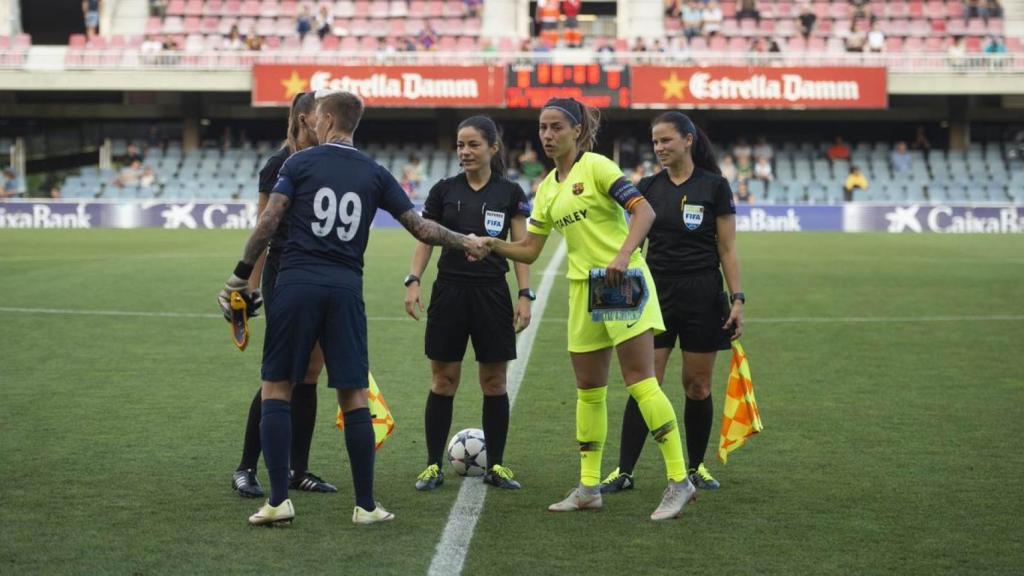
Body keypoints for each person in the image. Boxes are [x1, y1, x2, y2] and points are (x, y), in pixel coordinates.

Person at [218, 89, 487, 526]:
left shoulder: (298, 164)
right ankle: (365, 505)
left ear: (324, 119)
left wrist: (238, 276)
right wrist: (464, 241)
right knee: (353, 395)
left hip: (297, 284)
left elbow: (268, 222)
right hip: (345, 289)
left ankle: (278, 501)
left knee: (277, 387)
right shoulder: (375, 172)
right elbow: (419, 225)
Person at [471, 97, 698, 521]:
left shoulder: (597, 167)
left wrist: (623, 256)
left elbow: (643, 211)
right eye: (542, 128)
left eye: (556, 127)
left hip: (619, 282)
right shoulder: (548, 189)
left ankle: (679, 480)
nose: (548, 135)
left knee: (640, 382)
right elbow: (531, 250)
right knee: (588, 389)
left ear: (577, 130)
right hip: (582, 291)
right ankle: (589, 487)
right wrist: (493, 245)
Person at [601, 112, 743, 495]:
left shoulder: (715, 186)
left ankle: (695, 468)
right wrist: (619, 297)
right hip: (656, 293)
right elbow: (632, 248)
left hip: (702, 295)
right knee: (645, 382)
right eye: (656, 142)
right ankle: (623, 470)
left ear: (688, 140)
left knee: (697, 386)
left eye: (666, 140)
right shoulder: (647, 187)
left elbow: (727, 250)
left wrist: (737, 299)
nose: (660, 148)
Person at [405, 116, 533, 492]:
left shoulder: (510, 192)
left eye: (473, 144)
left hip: (492, 293)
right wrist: (413, 280)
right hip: (449, 293)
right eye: (460, 145)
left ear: (494, 147)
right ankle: (431, 465)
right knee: (443, 381)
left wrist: (525, 296)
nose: (464, 152)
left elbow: (522, 250)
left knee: (494, 382)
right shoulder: (443, 190)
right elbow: (425, 239)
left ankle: (497, 466)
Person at [230, 92, 338, 500]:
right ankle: (245, 467)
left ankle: (299, 469)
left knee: (310, 372)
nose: (324, 121)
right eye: (318, 115)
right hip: (284, 275)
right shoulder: (279, 164)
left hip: (320, 274)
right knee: (281, 374)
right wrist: (249, 286)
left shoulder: (327, 162)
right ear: (303, 118)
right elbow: (264, 228)